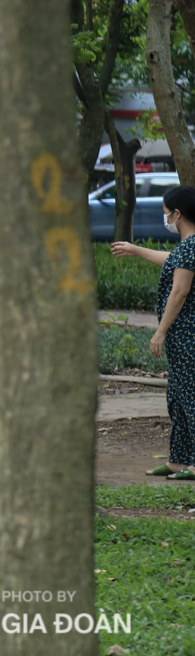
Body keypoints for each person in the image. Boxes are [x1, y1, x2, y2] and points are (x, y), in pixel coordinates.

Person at [112, 185, 195, 480]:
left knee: (190, 395)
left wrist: (159, 332)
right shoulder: (188, 247)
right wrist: (135, 250)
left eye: (166, 214)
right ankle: (179, 459)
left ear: (177, 214)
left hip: (187, 333)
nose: (166, 219)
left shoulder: (192, 246)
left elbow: (180, 291)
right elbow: (172, 261)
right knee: (177, 396)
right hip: (181, 336)